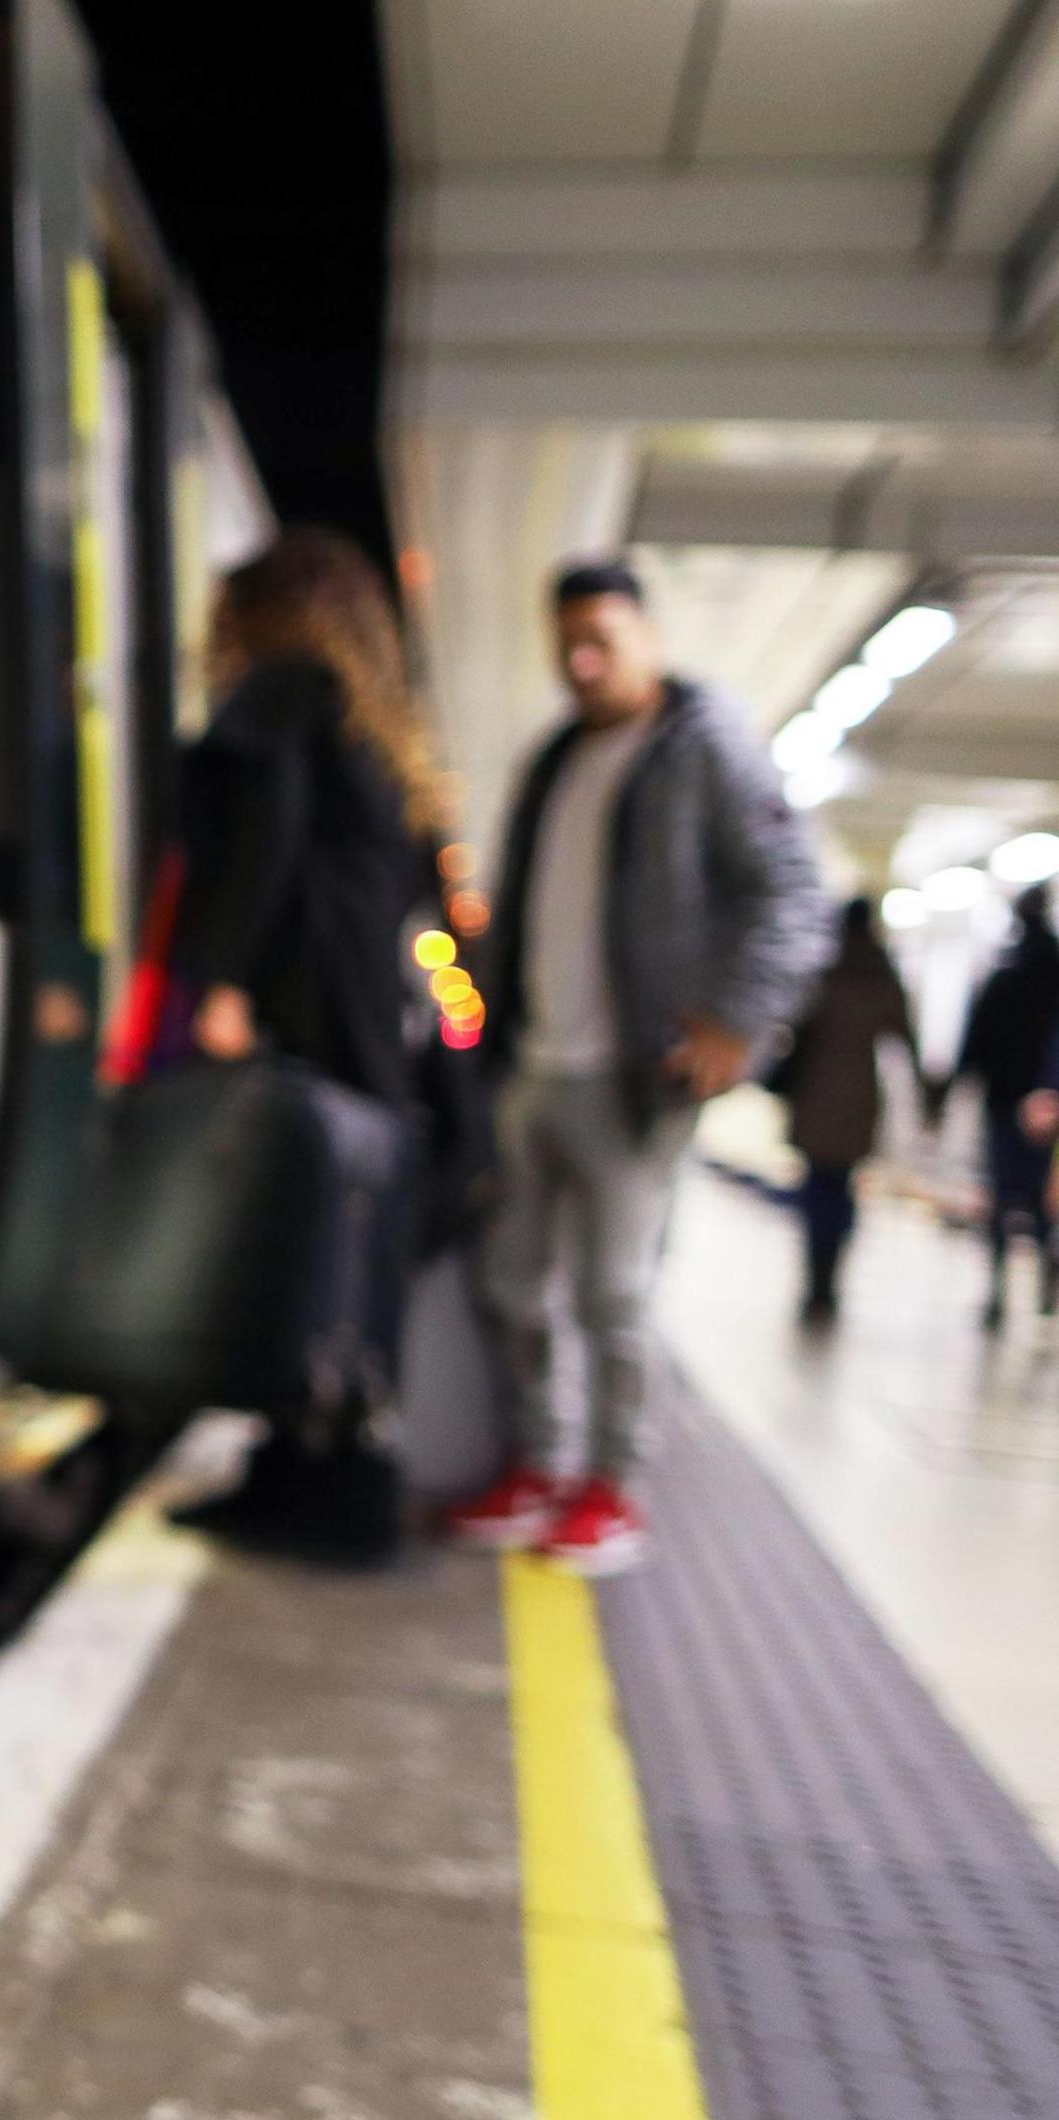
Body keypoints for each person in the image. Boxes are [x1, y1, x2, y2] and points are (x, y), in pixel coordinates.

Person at [449, 559, 828, 1575]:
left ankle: (612, 1485)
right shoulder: (555, 759)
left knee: (611, 1294)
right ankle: (540, 1460)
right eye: (566, 641)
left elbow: (793, 894)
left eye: (602, 640)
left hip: (632, 1074)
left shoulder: (705, 750)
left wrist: (734, 1022)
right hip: (536, 1061)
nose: (581, 660)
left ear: (650, 637)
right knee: (516, 1280)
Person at [162, 529, 441, 1566]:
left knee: (297, 1235)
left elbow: (264, 831)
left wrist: (226, 978)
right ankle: (313, 1469)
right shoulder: (367, 722)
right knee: (346, 1240)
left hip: (307, 1000)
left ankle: (325, 1491)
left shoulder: (282, 690)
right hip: (365, 1014)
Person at [772, 898, 915, 1325]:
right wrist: (930, 1099)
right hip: (859, 1096)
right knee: (843, 1188)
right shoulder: (884, 976)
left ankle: (814, 1281)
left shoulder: (823, 970)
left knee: (816, 1188)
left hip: (816, 1093)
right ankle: (831, 1280)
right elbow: (907, 1036)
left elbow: (792, 1026)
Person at [932, 881, 1059, 1325]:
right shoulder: (1052, 969)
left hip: (1006, 1102)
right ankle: (1046, 1279)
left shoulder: (1005, 971)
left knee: (1005, 1196)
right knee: (1045, 1196)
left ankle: (999, 1292)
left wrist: (952, 1089)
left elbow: (977, 1035)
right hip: (1048, 1106)